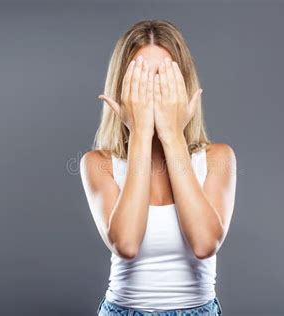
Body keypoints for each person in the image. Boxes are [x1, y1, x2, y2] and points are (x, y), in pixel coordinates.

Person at [80, 19, 237, 315]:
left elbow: (205, 244)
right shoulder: (98, 164)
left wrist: (171, 133)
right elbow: (126, 244)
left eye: (163, 77)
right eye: (139, 77)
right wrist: (140, 133)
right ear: (121, 87)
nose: (152, 91)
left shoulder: (218, 158)